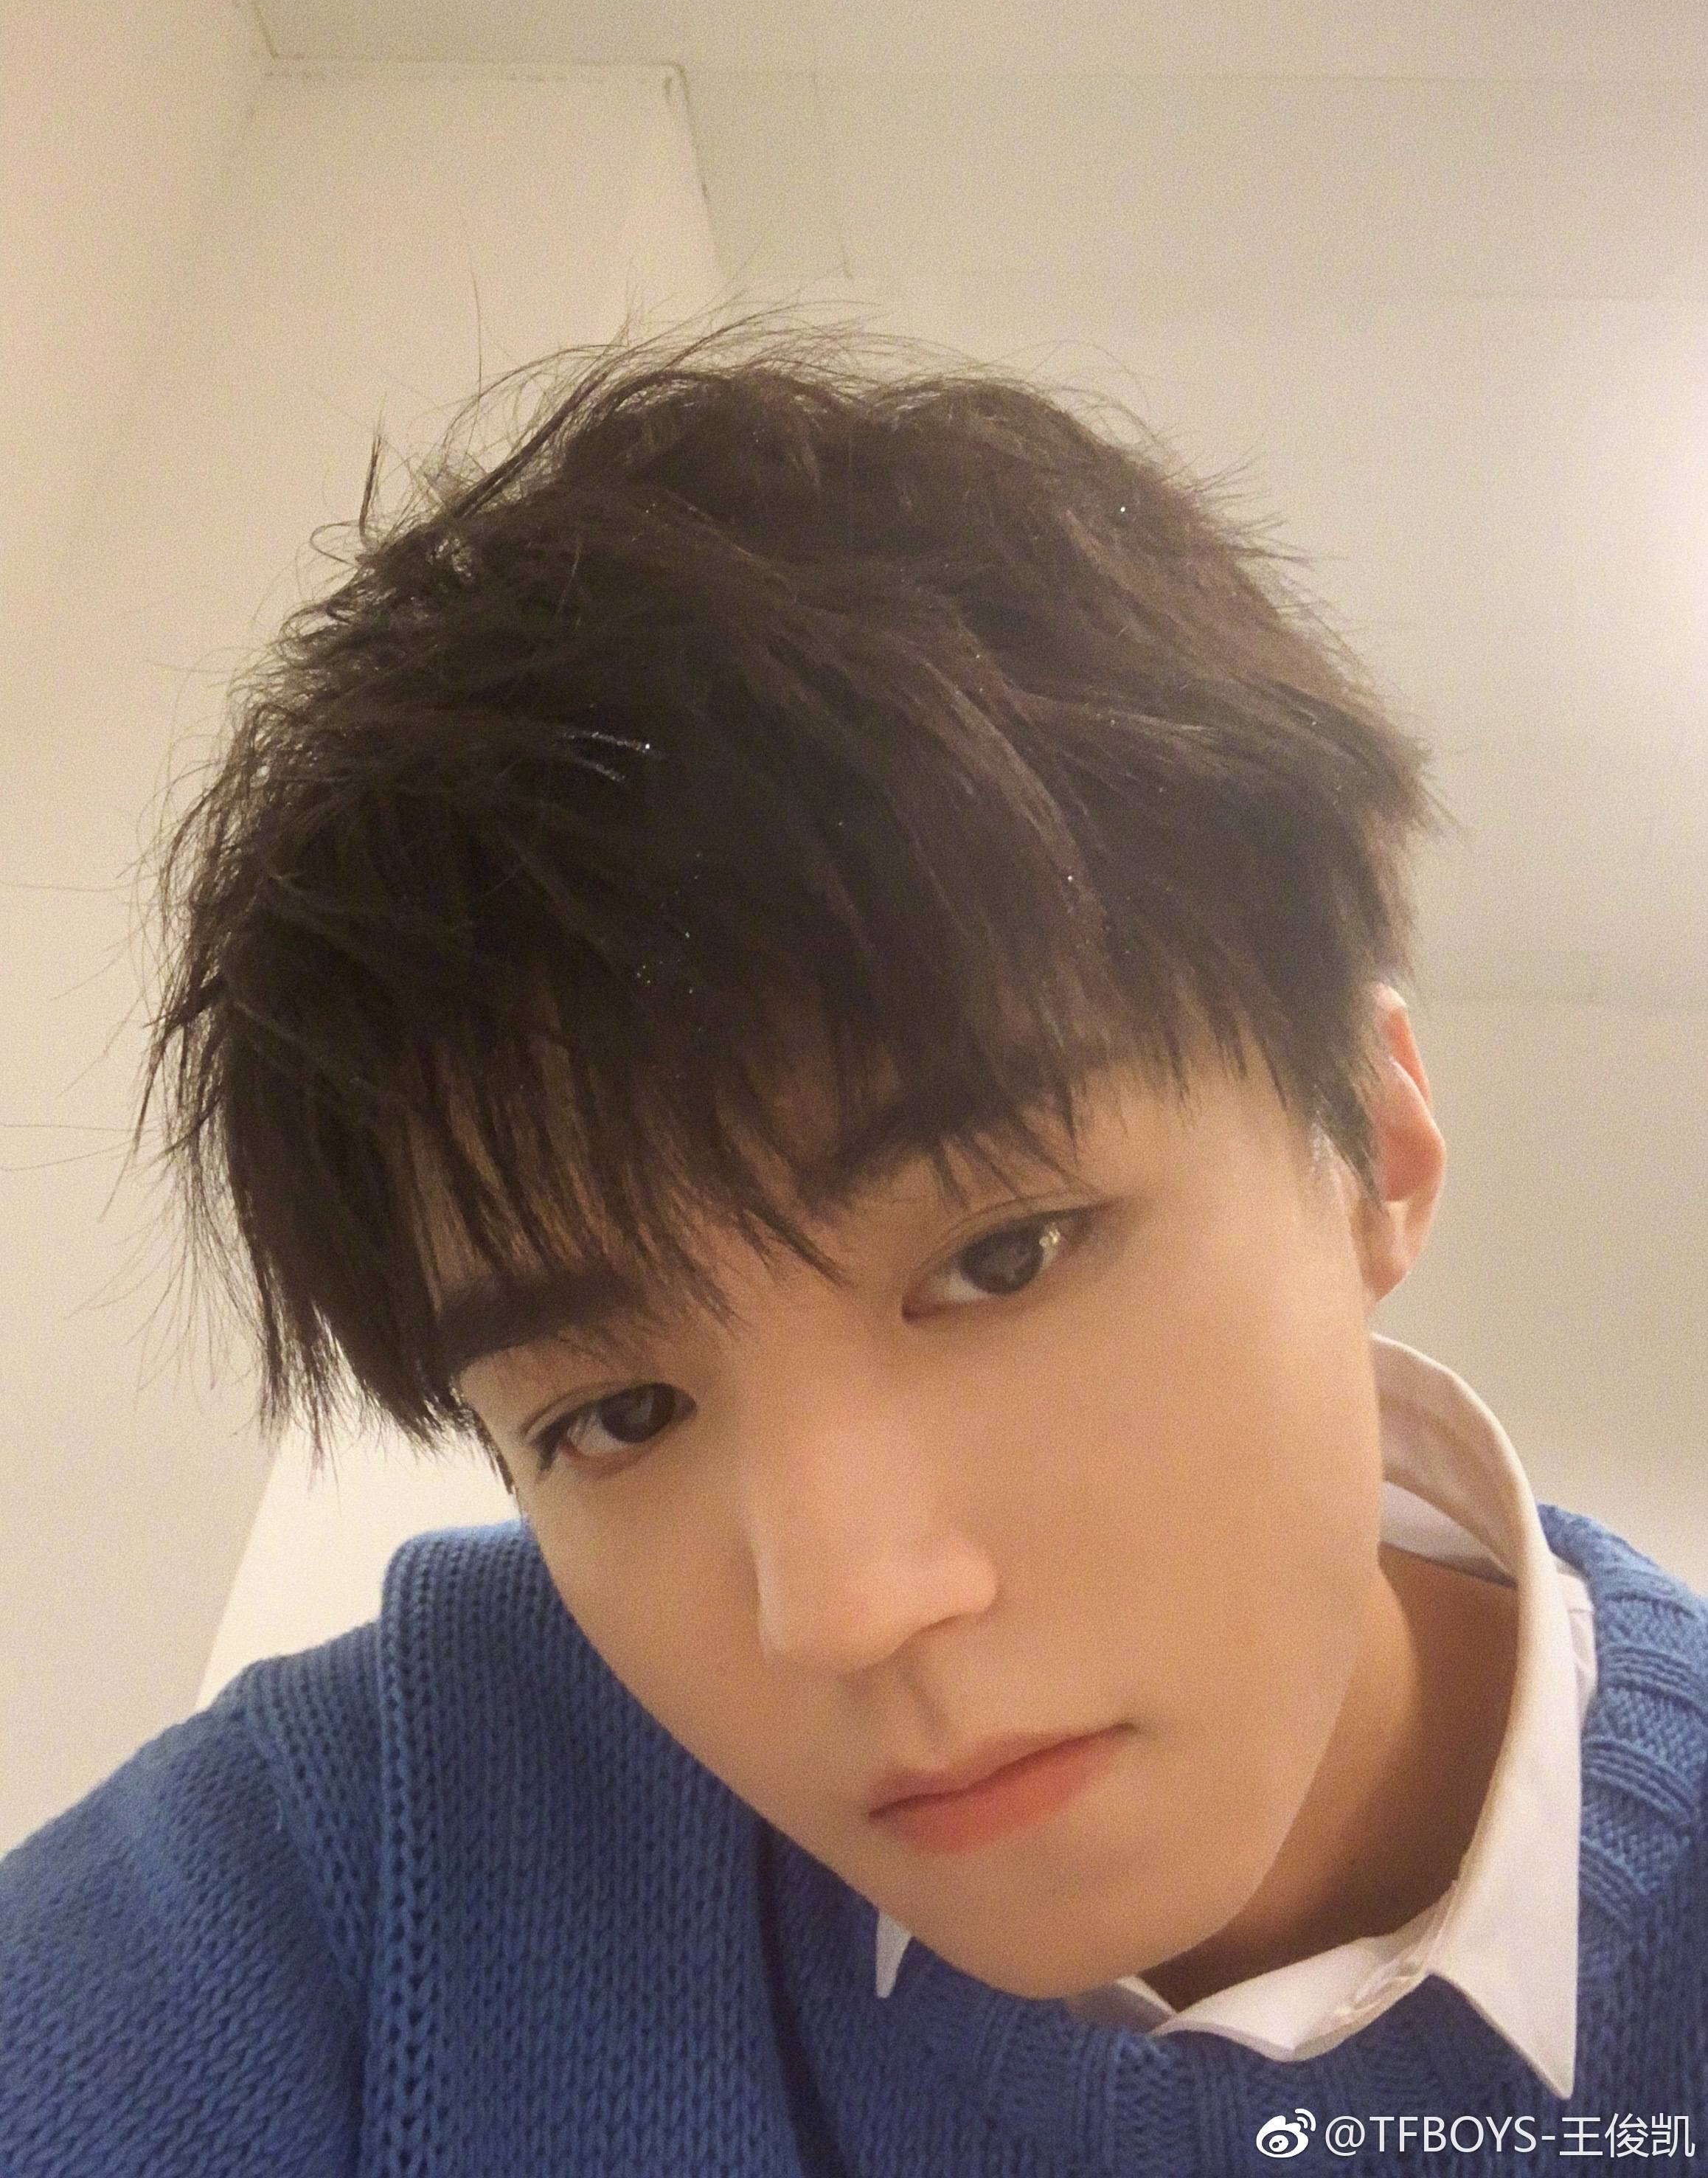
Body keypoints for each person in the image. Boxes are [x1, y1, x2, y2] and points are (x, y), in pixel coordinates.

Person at [2, 314, 1703, 2177]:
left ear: (1374, 1142)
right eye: (620, 1411)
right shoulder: (388, 1847)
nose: (843, 1605)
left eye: (1005, 1254)